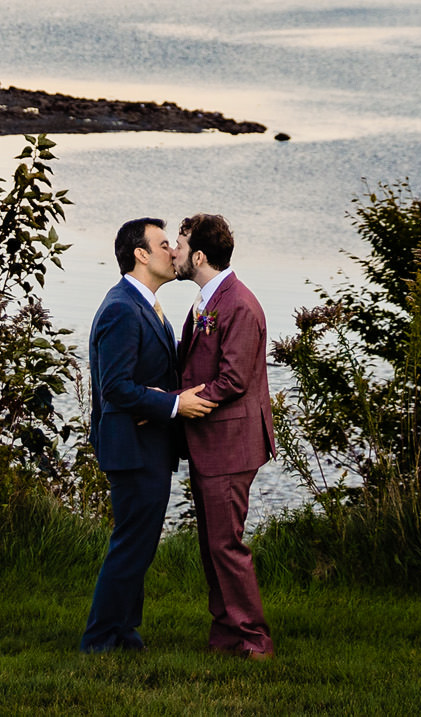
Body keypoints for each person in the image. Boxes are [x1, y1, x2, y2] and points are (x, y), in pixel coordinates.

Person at [81, 217, 216, 654]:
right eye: (163, 244)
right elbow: (115, 387)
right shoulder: (122, 307)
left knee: (137, 543)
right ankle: (100, 638)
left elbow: (139, 380)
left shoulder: (145, 305)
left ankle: (123, 631)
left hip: (146, 444)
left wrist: (162, 397)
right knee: (131, 545)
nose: (172, 252)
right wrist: (175, 404)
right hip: (132, 448)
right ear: (140, 254)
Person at [171, 212, 276, 658]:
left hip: (231, 445)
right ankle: (226, 635)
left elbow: (233, 380)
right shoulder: (208, 300)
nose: (171, 252)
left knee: (226, 545)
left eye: (178, 244)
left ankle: (254, 640)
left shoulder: (239, 305)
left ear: (198, 255)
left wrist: (177, 401)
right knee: (212, 543)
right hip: (210, 443)